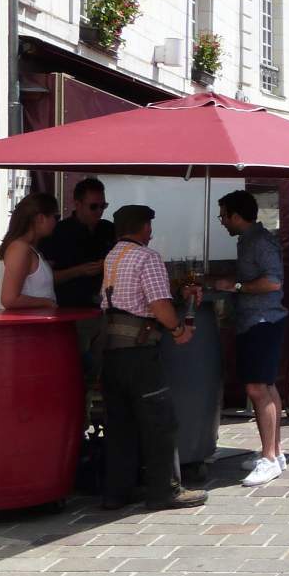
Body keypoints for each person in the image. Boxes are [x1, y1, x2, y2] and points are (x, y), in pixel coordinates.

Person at [100, 205, 206, 511]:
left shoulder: (112, 256)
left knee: (121, 424)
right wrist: (177, 329)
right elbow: (158, 305)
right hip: (140, 351)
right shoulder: (147, 257)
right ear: (145, 227)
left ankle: (116, 492)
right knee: (160, 422)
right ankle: (164, 490)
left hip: (111, 350)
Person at [213, 190, 288, 487]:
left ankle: (269, 459)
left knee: (256, 387)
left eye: (223, 215)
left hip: (262, 319)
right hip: (256, 320)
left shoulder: (259, 241)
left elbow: (273, 281)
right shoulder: (249, 240)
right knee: (266, 385)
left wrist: (237, 286)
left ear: (235, 215)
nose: (221, 221)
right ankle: (276, 452)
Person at [41, 177, 116, 308]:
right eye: (93, 206)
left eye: (103, 206)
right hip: (70, 307)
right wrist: (78, 271)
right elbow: (43, 278)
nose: (99, 211)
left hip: (105, 308)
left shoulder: (109, 229)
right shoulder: (57, 232)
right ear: (77, 204)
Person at [0, 192, 60, 310]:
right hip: (24, 325)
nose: (56, 222)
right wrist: (47, 302)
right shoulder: (20, 248)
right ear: (41, 218)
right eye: (56, 217)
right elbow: (9, 300)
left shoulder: (18, 246)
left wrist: (3, 286)